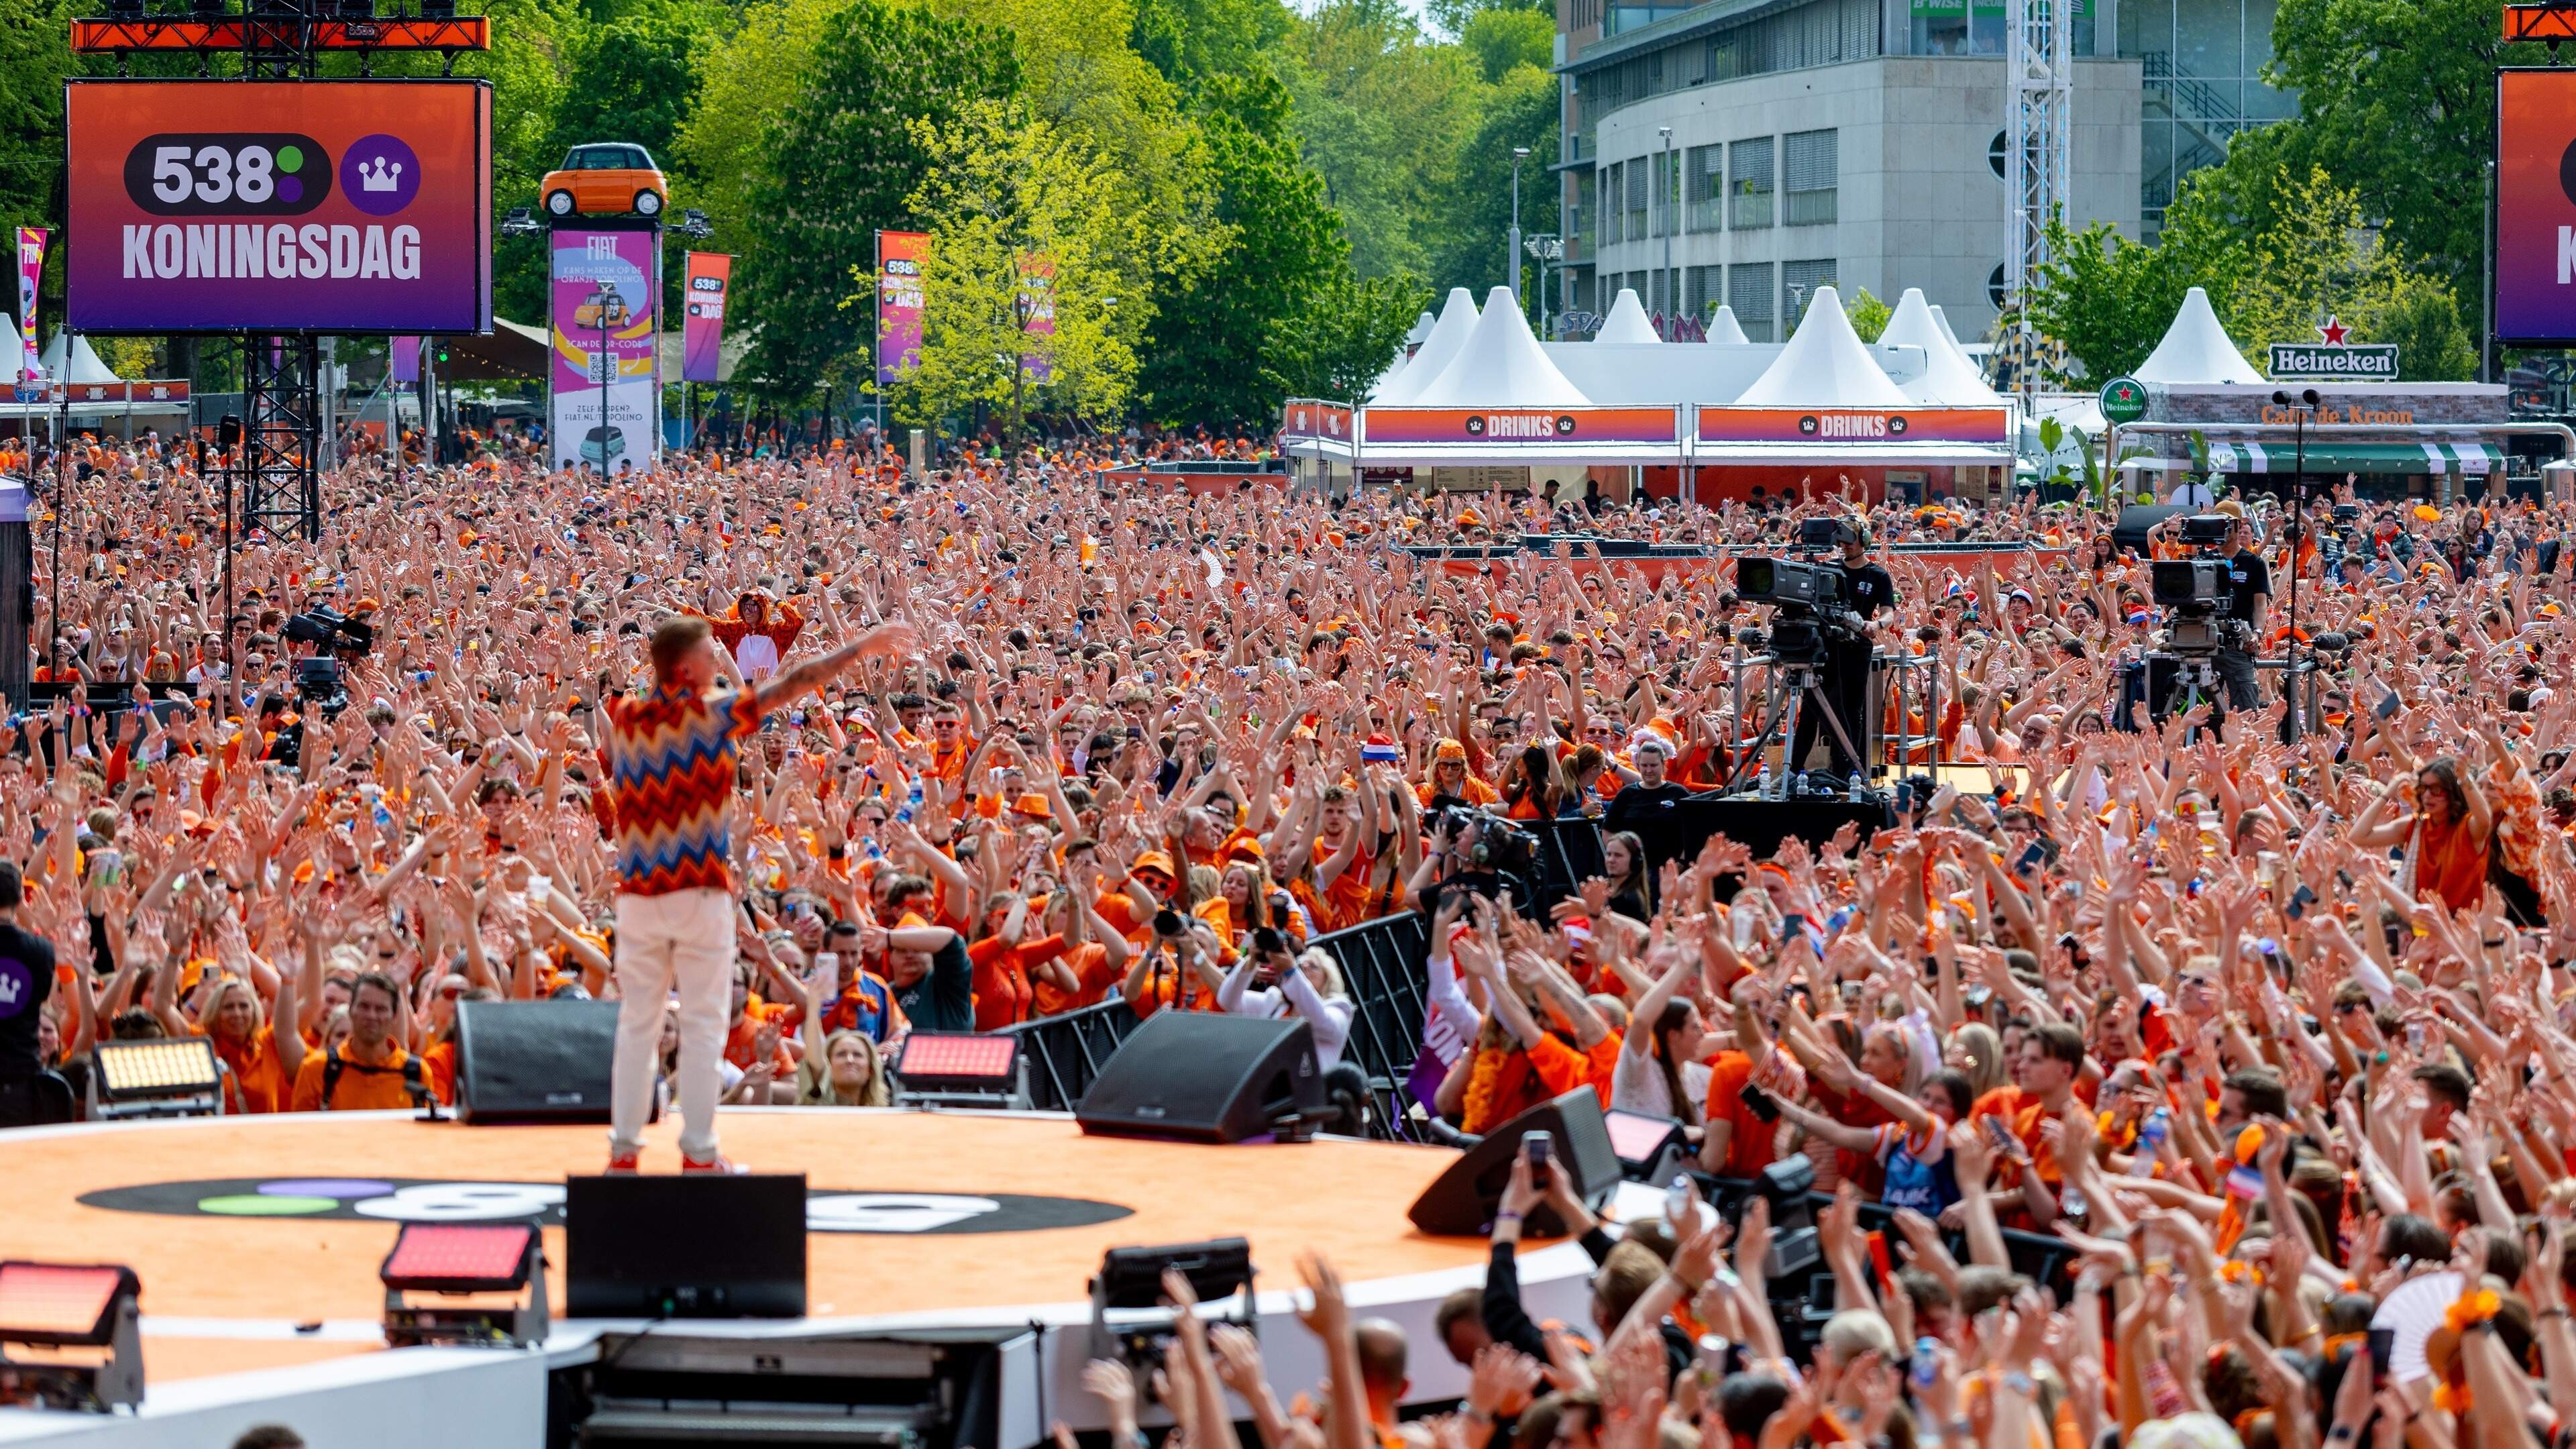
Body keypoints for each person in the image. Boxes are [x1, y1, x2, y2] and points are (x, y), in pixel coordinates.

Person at [600, 612, 915, 1174]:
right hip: (697, 892)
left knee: (637, 1023)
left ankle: (624, 1150)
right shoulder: (711, 714)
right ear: (685, 667)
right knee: (700, 1024)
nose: (720, 661)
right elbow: (795, 683)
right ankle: (698, 1152)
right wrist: (860, 645)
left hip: (637, 896)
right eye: (709, 654)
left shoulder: (623, 716)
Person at [1789, 519, 1894, 779]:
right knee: (1811, 708)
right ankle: (1793, 770)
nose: (1846, 546)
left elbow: (1889, 612)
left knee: (1851, 710)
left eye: (1852, 540)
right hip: (1825, 645)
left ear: (1865, 541)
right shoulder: (1829, 569)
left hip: (1856, 646)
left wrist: (1877, 624)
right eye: (1843, 541)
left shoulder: (1878, 575)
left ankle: (1848, 772)